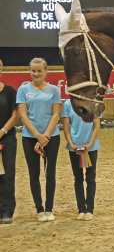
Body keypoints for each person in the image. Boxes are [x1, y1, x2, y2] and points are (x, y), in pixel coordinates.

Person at [17, 58, 62, 222]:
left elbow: (56, 114)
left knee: (50, 173)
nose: (36, 74)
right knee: (34, 174)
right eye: (33, 71)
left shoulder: (54, 90)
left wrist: (46, 136)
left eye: (39, 71)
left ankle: (49, 208)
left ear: (45, 71)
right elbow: (23, 115)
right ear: (30, 71)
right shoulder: (23, 90)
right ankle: (39, 209)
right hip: (29, 138)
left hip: (52, 137)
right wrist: (37, 136)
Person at [62, 99, 100, 220]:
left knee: (90, 177)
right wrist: (70, 142)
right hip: (74, 147)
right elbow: (66, 126)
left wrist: (90, 144)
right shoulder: (68, 104)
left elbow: (96, 125)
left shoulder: (94, 103)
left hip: (91, 147)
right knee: (78, 178)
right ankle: (81, 209)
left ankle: (90, 209)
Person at [0, 59, 18, 224]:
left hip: (7, 140)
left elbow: (15, 115)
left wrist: (3, 131)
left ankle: (7, 211)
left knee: (7, 175)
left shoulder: (10, 92)